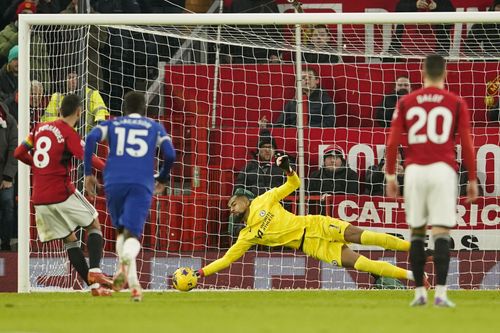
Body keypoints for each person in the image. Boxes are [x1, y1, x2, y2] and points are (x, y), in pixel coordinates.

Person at [194, 155, 426, 287]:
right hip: (312, 246)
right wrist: (200, 273)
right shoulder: (247, 235)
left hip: (314, 224)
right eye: (230, 207)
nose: (232, 206)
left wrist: (288, 170)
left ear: (244, 198)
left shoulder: (264, 199)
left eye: (233, 202)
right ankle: (414, 276)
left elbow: (293, 185)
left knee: (364, 236)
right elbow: (226, 259)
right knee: (361, 264)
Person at [385, 54, 478, 307]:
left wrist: (391, 174)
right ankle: (441, 293)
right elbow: (467, 144)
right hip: (443, 170)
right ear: (445, 73)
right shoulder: (455, 101)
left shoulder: (406, 101)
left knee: (416, 231)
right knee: (441, 232)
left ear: (422, 73)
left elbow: (393, 142)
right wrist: (471, 178)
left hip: (415, 171)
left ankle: (419, 294)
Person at [13, 94, 112, 296]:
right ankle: (95, 271)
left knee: (70, 239)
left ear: (59, 111)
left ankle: (94, 288)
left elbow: (18, 153)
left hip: (39, 198)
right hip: (61, 192)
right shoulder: (68, 133)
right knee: (93, 222)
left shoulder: (38, 128)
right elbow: (88, 157)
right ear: (79, 112)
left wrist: (40, 166)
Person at [84, 91, 176, 301]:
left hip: (113, 181)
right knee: (132, 236)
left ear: (124, 108)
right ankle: (124, 266)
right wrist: (162, 177)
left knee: (122, 233)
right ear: (145, 109)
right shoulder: (154, 126)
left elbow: (90, 138)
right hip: (140, 182)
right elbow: (170, 154)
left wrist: (88, 173)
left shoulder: (113, 124)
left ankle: (133, 286)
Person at [259, 68, 335, 128]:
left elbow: (329, 123)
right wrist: (266, 126)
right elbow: (280, 125)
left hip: (317, 136)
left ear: (317, 80)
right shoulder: (292, 102)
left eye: (310, 77)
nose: (307, 80)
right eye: (303, 78)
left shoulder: (325, 100)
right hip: (294, 137)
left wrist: (308, 129)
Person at [42, 71, 109, 133]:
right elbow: (47, 117)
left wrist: (99, 122)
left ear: (80, 79)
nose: (72, 81)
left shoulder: (92, 94)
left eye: (75, 77)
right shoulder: (57, 96)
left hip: (85, 135)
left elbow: (101, 109)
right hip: (63, 134)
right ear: (65, 80)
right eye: (69, 77)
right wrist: (63, 124)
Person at [388, 0, 455, 56]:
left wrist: (436, 7)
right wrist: (415, 5)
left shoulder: (443, 2)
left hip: (437, 53)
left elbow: (452, 17)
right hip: (404, 50)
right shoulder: (407, 2)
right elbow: (398, 9)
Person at [233, 129, 285, 198]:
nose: (267, 150)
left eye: (270, 147)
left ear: (275, 150)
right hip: (255, 205)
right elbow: (238, 190)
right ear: (258, 150)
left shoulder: (282, 167)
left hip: (276, 205)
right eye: (264, 147)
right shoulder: (248, 168)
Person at [0, 102, 17, 251]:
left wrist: (7, 177)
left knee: (7, 205)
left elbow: (14, 149)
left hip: (5, 174)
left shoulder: (9, 120)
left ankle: (5, 243)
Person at [0, 45, 18, 120]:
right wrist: (15, 97)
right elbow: (2, 103)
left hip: (24, 121)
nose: (18, 62)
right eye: (15, 59)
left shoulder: (27, 76)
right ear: (9, 61)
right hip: (6, 121)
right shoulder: (1, 76)